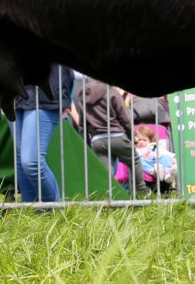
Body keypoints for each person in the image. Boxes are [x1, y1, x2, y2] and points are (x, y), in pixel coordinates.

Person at [70, 77, 147, 194]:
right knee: (134, 160)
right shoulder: (112, 92)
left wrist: (87, 142)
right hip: (116, 136)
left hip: (97, 140)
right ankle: (141, 191)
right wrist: (131, 137)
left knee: (106, 172)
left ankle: (107, 197)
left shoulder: (84, 96)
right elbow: (125, 119)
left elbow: (82, 124)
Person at [14, 64, 75, 204]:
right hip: (18, 91)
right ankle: (29, 213)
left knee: (30, 161)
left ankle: (54, 212)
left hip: (47, 90)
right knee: (21, 162)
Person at [134, 124, 177, 191]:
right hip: (148, 166)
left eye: (144, 140)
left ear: (150, 141)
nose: (141, 142)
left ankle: (167, 173)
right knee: (138, 160)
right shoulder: (136, 150)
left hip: (157, 163)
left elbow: (164, 153)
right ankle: (154, 172)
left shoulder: (153, 147)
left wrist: (173, 158)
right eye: (139, 140)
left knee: (165, 157)